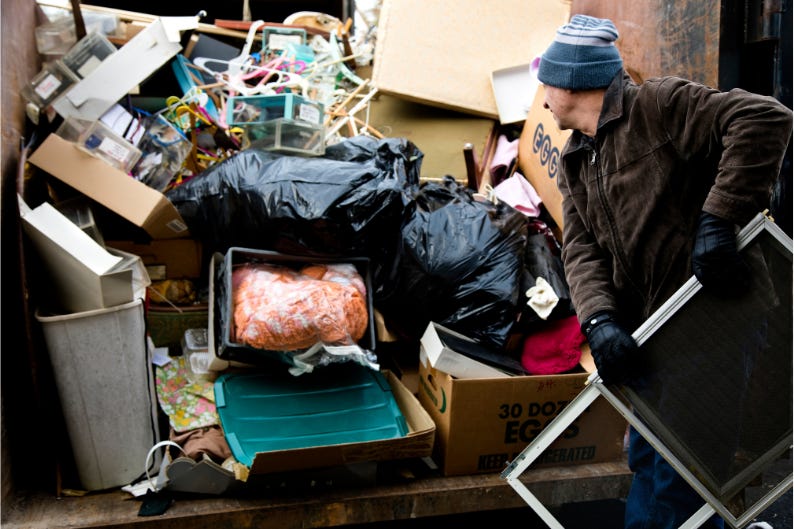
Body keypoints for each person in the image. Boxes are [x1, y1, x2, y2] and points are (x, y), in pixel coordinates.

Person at [536, 14, 792, 529]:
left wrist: (719, 217)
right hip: (651, 333)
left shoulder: (657, 106)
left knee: (677, 477)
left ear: (571, 81)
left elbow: (765, 118)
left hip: (710, 320)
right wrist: (600, 322)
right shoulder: (574, 160)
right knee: (653, 464)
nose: (540, 94)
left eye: (546, 79)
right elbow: (581, 249)